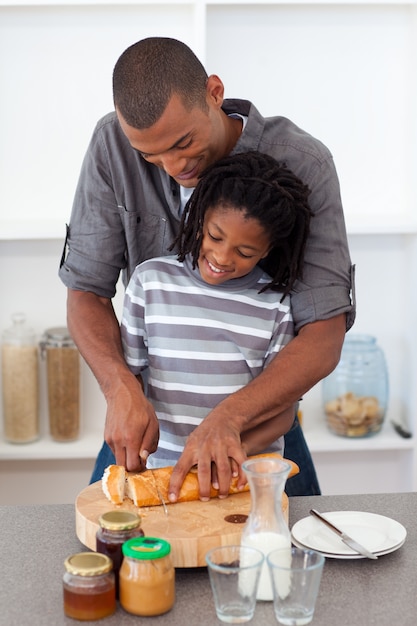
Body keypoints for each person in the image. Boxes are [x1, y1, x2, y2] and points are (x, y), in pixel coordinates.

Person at [59, 37, 355, 499]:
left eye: (183, 143)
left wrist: (230, 419)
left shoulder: (305, 162)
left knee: (286, 562)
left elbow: (323, 333)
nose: (174, 167)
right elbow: (86, 293)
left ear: (214, 91)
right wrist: (120, 389)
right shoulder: (111, 144)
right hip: (150, 435)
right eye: (151, 157)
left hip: (258, 427)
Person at [121, 151, 312, 483]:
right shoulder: (149, 283)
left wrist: (226, 454)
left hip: (242, 478)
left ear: (266, 250)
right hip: (162, 472)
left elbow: (283, 413)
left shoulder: (275, 306)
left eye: (245, 252)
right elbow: (130, 382)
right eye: (215, 236)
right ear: (199, 217)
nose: (222, 258)